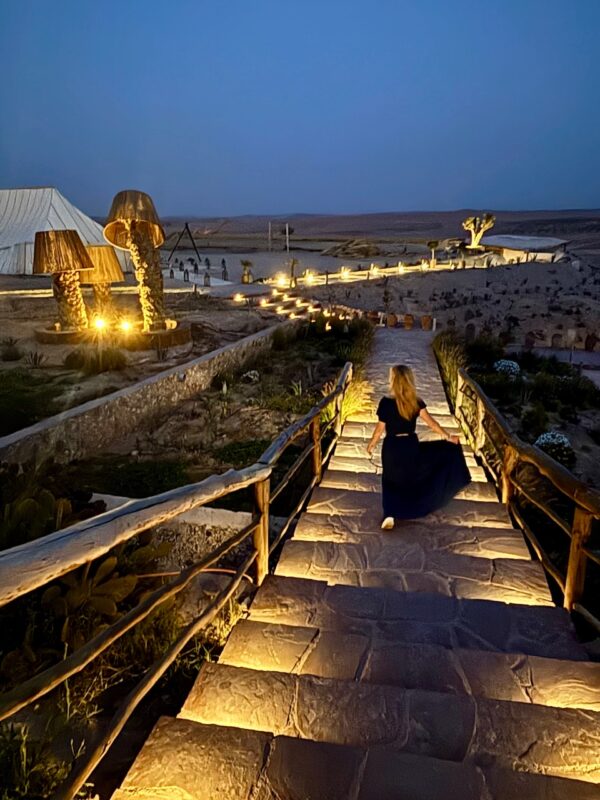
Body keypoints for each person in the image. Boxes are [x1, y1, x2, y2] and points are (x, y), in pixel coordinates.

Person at [366, 364, 471, 529]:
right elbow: (432, 424)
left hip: (392, 446)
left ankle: (390, 514)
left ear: (393, 381)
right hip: (409, 446)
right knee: (408, 478)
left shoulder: (385, 403)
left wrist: (371, 444)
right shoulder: (416, 402)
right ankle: (411, 507)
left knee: (390, 480)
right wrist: (448, 437)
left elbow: (380, 429)